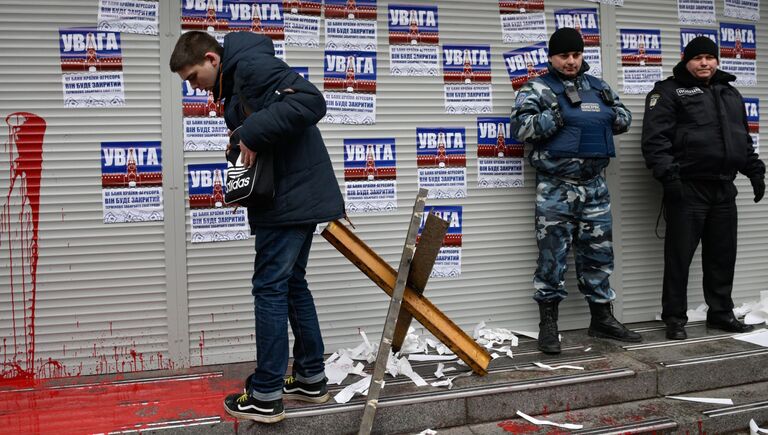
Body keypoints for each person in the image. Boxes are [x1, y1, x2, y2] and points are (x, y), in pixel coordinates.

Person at [169, 31, 345, 423]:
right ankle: (310, 377)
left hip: (290, 199)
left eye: (193, 77)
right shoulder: (238, 77)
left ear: (212, 59)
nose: (194, 87)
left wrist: (248, 132)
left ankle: (265, 393)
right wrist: (241, 152)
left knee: (269, 288)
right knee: (292, 283)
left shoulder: (251, 66)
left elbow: (312, 102)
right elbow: (273, 129)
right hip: (290, 196)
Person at [511, 28, 640, 354]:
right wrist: (558, 114)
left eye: (576, 54)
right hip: (556, 188)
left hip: (594, 187)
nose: (571, 61)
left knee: (598, 256)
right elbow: (521, 129)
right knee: (552, 259)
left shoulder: (598, 86)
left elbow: (623, 119)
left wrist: (608, 113)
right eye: (564, 55)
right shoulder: (537, 88)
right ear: (552, 57)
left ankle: (601, 319)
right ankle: (549, 325)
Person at [641, 37, 763, 340]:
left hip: (723, 188)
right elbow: (655, 141)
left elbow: (741, 140)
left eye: (710, 57)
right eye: (698, 58)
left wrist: (755, 171)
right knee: (679, 258)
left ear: (717, 61)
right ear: (687, 61)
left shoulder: (730, 93)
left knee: (722, 256)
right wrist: (669, 179)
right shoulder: (667, 92)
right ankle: (674, 318)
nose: (704, 63)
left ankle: (721, 313)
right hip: (688, 188)